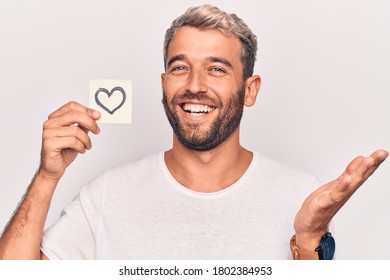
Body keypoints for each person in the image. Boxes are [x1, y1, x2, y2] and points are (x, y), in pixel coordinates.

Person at [0, 4, 387, 260]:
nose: (195, 86)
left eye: (217, 68)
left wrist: (307, 241)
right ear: (164, 83)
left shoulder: (301, 194)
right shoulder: (107, 194)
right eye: (181, 67)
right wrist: (47, 177)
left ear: (249, 89)